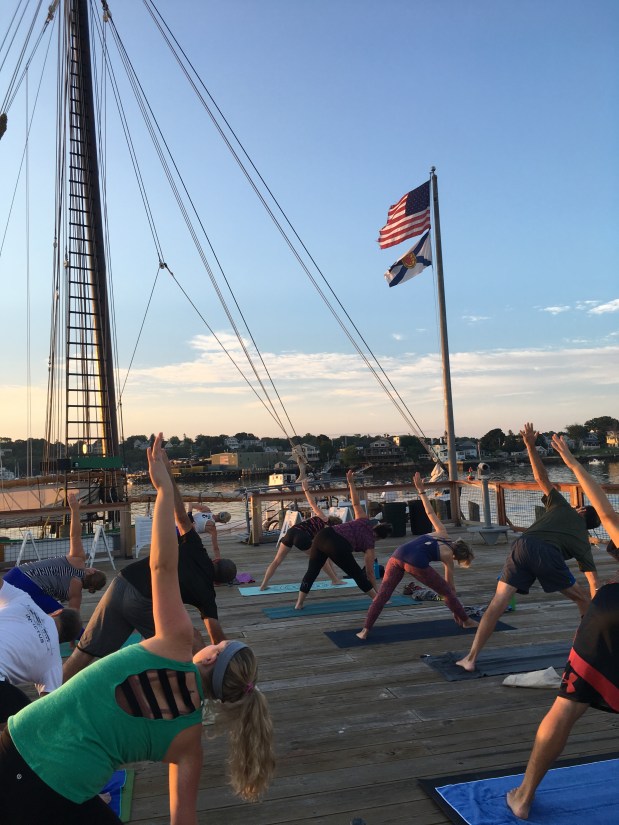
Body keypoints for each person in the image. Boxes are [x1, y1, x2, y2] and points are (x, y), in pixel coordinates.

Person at [0, 432, 275, 823]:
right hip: (55, 790)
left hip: (18, 741)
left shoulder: (175, 642)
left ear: (211, 655)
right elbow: (183, 818)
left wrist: (163, 490)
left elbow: (161, 566)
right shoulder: (189, 741)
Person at [506, 434, 619, 820]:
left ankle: (523, 795)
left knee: (568, 705)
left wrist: (573, 463)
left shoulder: (606, 529)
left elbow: (603, 511)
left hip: (609, 611)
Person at [62, 453, 237, 681]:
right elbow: (215, 635)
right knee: (188, 641)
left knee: (83, 653)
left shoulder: (197, 548)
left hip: (121, 582)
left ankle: (47, 698)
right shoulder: (207, 595)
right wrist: (227, 657)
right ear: (219, 582)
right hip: (143, 599)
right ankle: (209, 685)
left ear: (215, 561)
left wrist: (167, 473)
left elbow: (182, 516)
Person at [456, 422, 596, 673]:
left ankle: (471, 658)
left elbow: (541, 478)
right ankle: (586, 656)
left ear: (582, 510)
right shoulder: (583, 541)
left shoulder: (563, 507)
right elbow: (592, 579)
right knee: (583, 600)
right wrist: (599, 606)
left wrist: (530, 445)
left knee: (497, 603)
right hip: (544, 552)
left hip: (522, 545)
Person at [356, 473, 478, 639]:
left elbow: (429, 512)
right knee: (446, 593)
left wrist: (421, 491)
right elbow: (450, 589)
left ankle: (365, 630)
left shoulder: (442, 532)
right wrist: (458, 612)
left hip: (397, 554)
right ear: (458, 555)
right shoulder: (449, 555)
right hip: (415, 562)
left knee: (383, 596)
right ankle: (467, 622)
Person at [294, 470, 393, 610]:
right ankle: (377, 600)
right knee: (357, 574)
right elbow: (370, 573)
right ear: (379, 537)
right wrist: (378, 593)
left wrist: (351, 483)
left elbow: (356, 504)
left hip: (322, 535)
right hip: (337, 544)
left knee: (312, 571)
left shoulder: (363, 519)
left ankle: (299, 603)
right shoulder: (370, 545)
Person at [3, 492, 106, 612]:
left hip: (17, 574)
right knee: (59, 619)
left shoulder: (78, 560)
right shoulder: (76, 593)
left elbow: (75, 535)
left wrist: (75, 510)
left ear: (93, 571)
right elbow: (73, 618)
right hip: (32, 590)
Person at [0, 579, 81, 723]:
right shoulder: (54, 662)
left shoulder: (24, 599)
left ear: (57, 612)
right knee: (27, 726)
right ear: (63, 639)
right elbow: (48, 706)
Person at [259, 479, 344, 590]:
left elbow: (312, 503)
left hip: (291, 532)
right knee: (320, 559)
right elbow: (327, 556)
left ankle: (263, 585)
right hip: (301, 536)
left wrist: (306, 490)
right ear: (335, 525)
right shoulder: (328, 529)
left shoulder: (322, 516)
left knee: (276, 561)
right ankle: (335, 580)